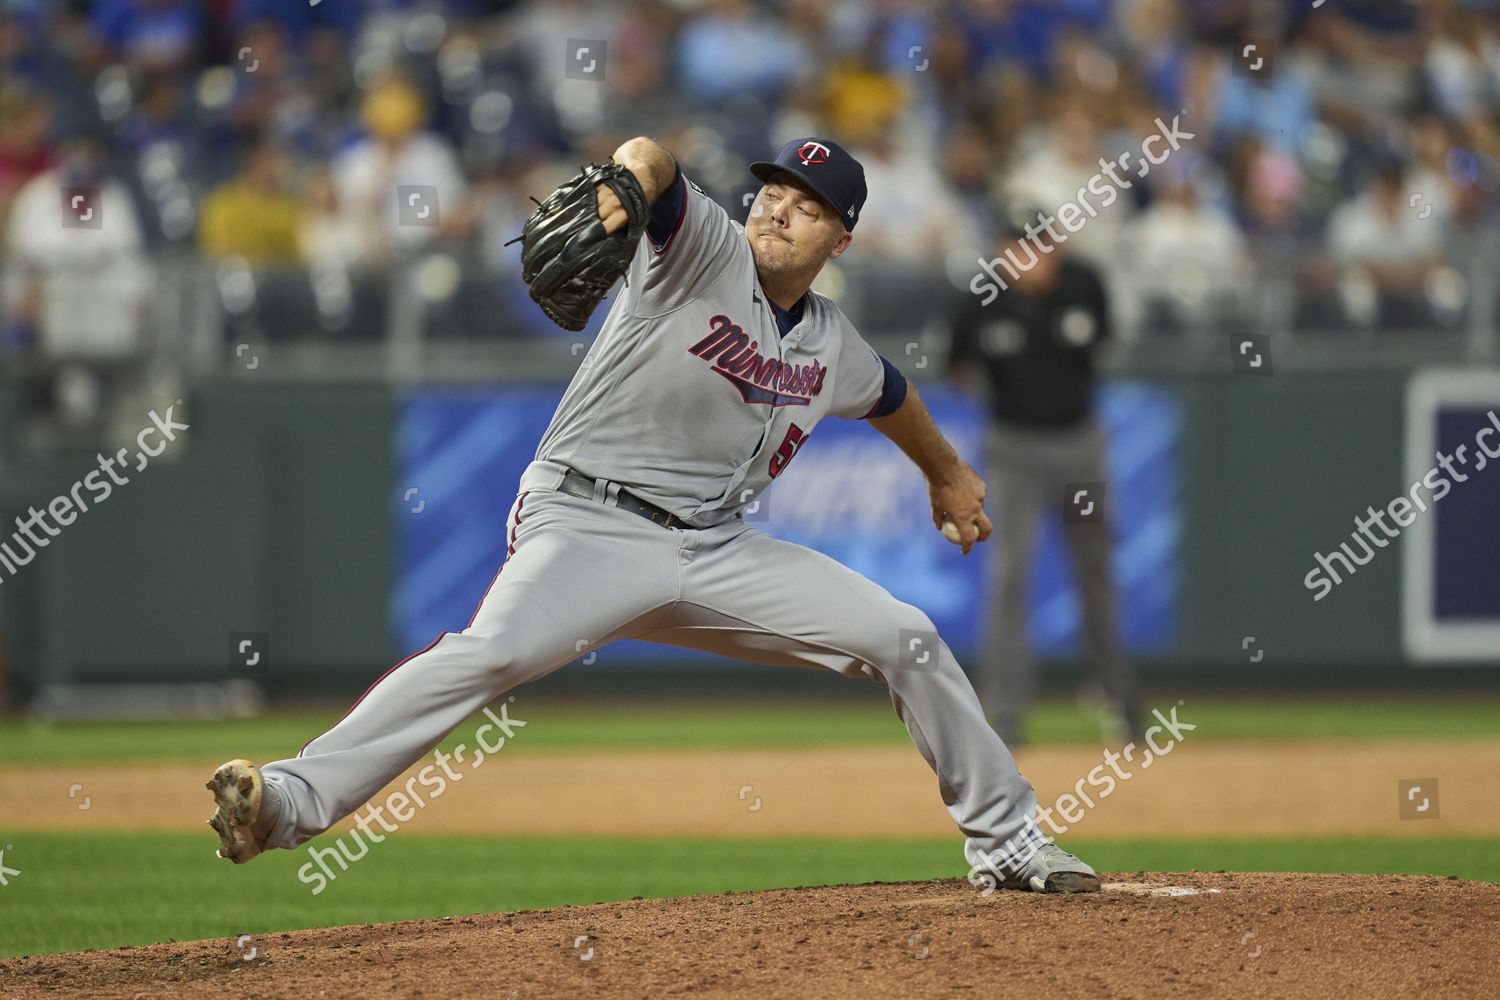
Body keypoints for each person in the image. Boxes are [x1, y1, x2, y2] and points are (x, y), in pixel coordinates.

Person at [206, 136, 1101, 894]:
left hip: (716, 550)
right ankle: (286, 801)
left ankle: (1007, 839)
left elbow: (892, 395)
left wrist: (945, 473)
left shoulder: (831, 342)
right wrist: (624, 184)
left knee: (907, 637)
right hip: (588, 522)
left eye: (808, 204)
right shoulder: (702, 251)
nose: (778, 209)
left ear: (844, 237)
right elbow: (656, 159)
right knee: (494, 653)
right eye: (773, 191)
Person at [946, 220, 1141, 747]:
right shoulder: (982, 300)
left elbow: (1104, 345)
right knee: (1009, 576)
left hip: (1079, 444)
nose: (1030, 258)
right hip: (1013, 451)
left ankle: (1119, 702)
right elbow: (954, 364)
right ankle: (1005, 716)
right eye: (1016, 247)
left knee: (1094, 571)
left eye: (1040, 246)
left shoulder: (1083, 284)